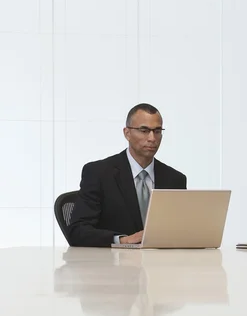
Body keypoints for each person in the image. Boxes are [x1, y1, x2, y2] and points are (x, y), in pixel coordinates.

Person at [68, 103, 187, 247]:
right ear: (127, 133)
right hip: (113, 264)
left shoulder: (175, 179)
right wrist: (122, 240)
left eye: (157, 131)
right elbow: (77, 231)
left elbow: (179, 230)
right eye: (144, 130)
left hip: (159, 264)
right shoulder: (99, 173)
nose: (152, 138)